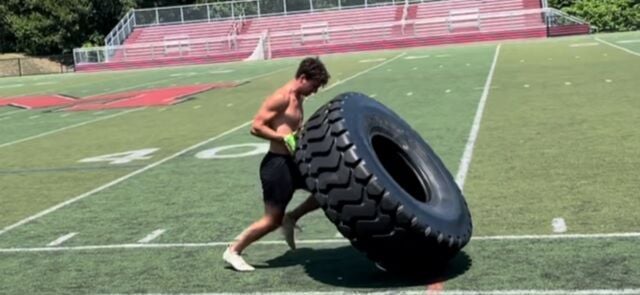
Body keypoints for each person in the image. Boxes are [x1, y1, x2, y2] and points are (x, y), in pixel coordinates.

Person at [223, 57, 331, 272]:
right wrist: (283, 139)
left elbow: (290, 127)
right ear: (302, 78)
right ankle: (233, 250)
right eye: (314, 85)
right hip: (277, 166)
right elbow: (256, 127)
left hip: (294, 162)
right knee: (272, 220)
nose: (315, 91)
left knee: (325, 190)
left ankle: (292, 217)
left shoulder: (298, 97)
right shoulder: (280, 98)